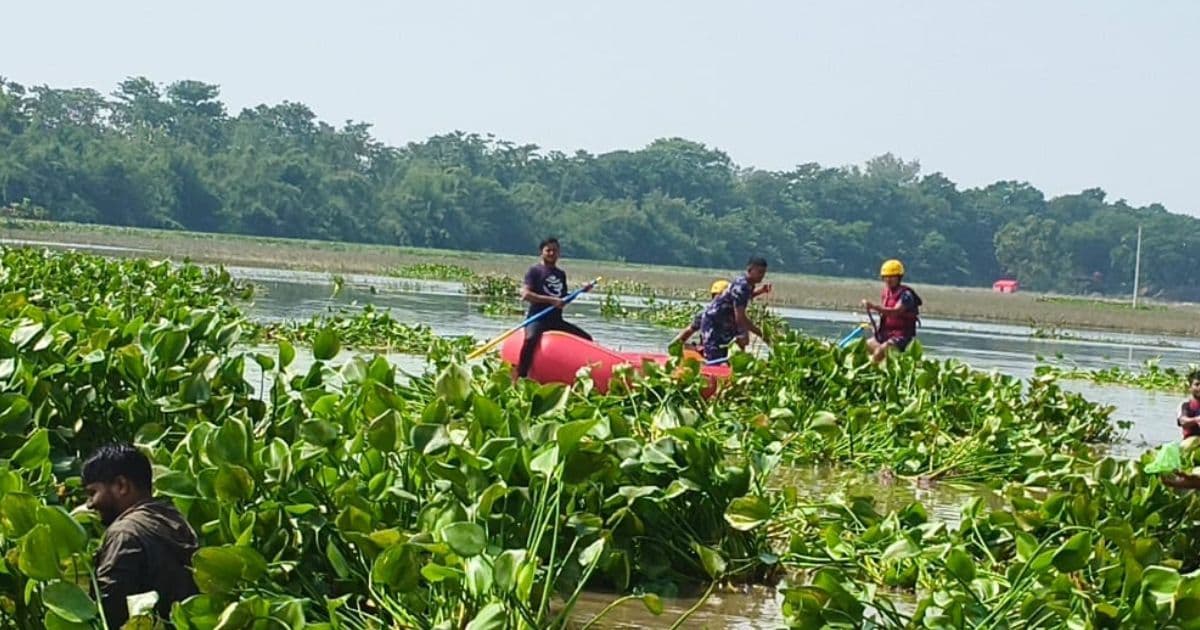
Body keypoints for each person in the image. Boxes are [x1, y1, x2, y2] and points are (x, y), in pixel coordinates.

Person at [83, 443, 199, 628]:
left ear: (121, 485)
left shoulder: (124, 533)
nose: (89, 505)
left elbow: (110, 608)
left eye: (92, 493)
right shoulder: (175, 519)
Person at [517, 237, 592, 378]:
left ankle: (577, 373)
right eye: (548, 250)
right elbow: (526, 294)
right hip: (538, 318)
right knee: (530, 339)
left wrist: (581, 290)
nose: (551, 253)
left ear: (559, 253)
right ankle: (521, 375)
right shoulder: (534, 271)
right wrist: (551, 301)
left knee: (586, 338)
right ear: (542, 252)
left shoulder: (560, 274)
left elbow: (563, 300)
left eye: (555, 250)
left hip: (556, 320)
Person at [698, 257, 771, 361]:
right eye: (759, 272)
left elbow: (743, 298)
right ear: (750, 269)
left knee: (726, 354)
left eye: (764, 273)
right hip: (714, 322)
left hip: (726, 322)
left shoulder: (749, 284)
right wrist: (759, 334)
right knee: (714, 355)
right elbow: (740, 318)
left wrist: (761, 291)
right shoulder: (742, 286)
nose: (762, 276)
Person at [861, 259, 923, 363]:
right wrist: (875, 326)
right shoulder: (886, 293)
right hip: (886, 334)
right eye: (886, 277)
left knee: (879, 352)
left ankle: (875, 370)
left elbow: (895, 311)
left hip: (902, 337)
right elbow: (885, 314)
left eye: (892, 277)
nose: (888, 280)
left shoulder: (906, 295)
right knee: (864, 346)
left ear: (899, 278)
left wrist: (874, 307)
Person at [1177, 369, 1200, 438]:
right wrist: (1196, 420)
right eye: (1197, 384)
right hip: (1191, 442)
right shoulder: (1185, 405)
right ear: (1190, 387)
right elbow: (1182, 421)